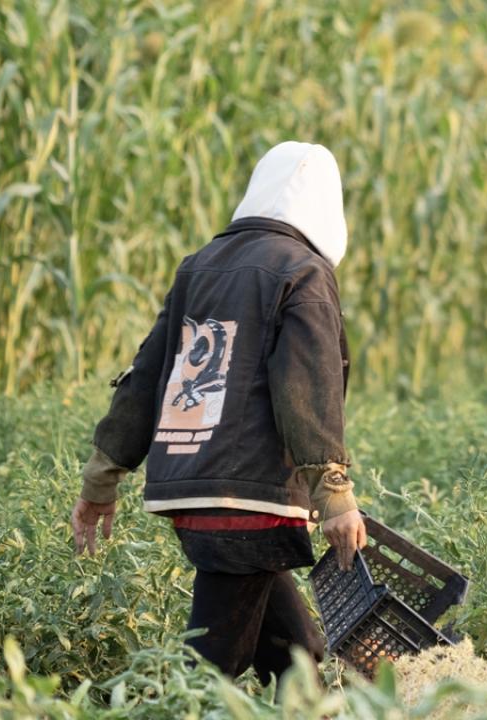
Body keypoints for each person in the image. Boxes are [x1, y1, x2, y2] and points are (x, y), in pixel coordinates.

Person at [68, 141, 367, 684]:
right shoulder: (304, 272)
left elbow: (147, 373)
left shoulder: (199, 266)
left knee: (295, 656)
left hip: (192, 491)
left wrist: (102, 477)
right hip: (249, 499)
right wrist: (335, 495)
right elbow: (307, 387)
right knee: (209, 672)